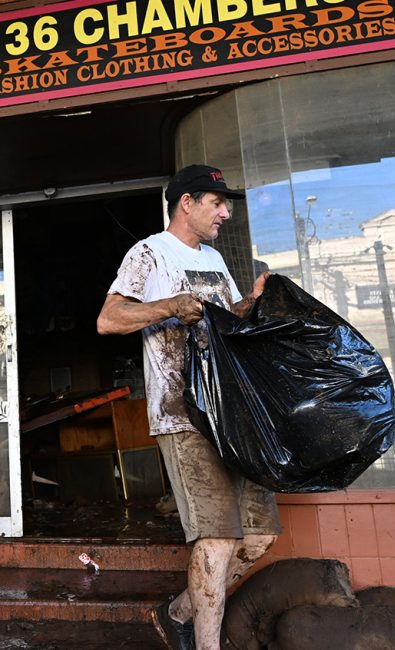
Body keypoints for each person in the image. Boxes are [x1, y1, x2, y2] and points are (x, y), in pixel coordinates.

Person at [96, 164, 280, 650]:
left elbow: (226, 324)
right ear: (186, 203)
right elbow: (109, 319)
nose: (225, 213)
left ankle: (177, 612)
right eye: (217, 203)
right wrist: (169, 306)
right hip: (182, 413)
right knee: (217, 538)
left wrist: (252, 305)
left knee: (258, 539)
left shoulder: (216, 262)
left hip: (232, 417)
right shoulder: (149, 254)